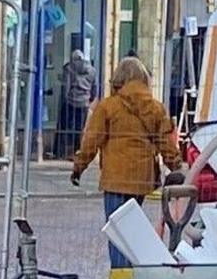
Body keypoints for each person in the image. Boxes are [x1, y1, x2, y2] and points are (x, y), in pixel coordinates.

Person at [67, 55, 181, 262]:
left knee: (118, 235)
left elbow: (91, 141)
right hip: (141, 181)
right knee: (132, 232)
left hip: (116, 179)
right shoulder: (155, 108)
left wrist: (78, 167)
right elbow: (165, 142)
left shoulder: (108, 107)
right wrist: (177, 166)